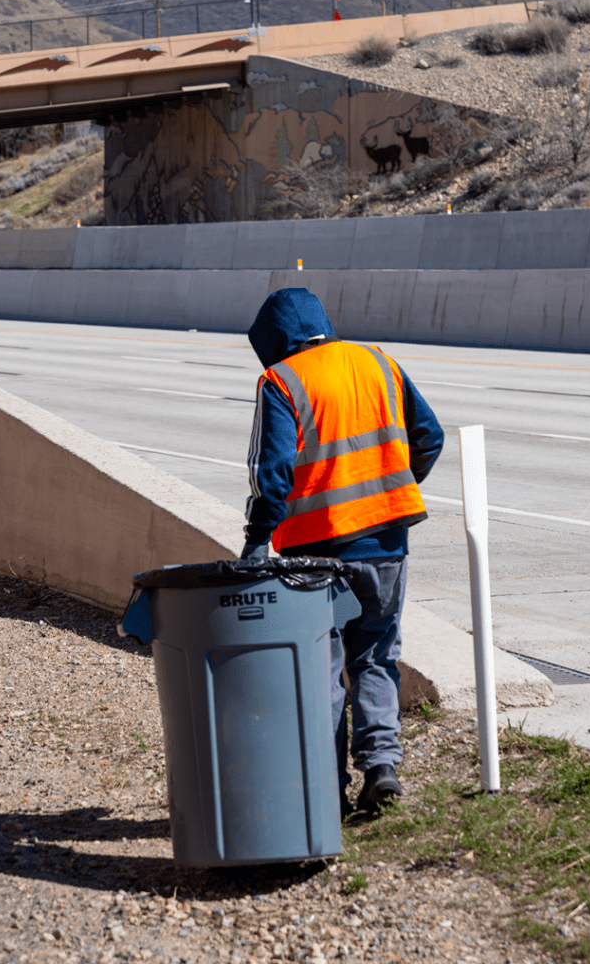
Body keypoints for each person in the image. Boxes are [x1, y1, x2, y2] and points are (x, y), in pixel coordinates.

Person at [241, 288, 444, 816]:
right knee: (377, 655)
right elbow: (430, 437)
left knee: (321, 666)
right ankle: (381, 768)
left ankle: (325, 787)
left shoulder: (281, 380)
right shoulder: (377, 361)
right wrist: (390, 493)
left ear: (274, 342)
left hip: (316, 551)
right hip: (385, 542)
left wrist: (257, 537)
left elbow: (273, 473)